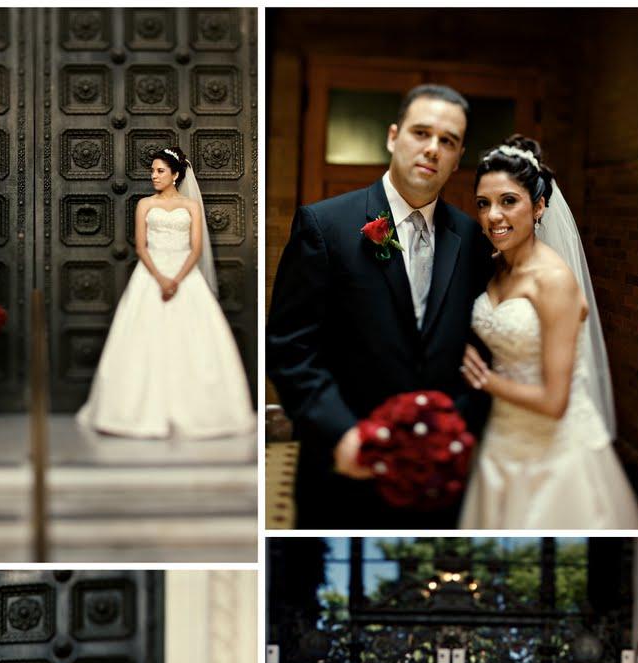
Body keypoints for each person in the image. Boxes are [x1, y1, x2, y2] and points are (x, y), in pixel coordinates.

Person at [268, 85, 494, 528]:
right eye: (421, 133)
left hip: (439, 475)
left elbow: (483, 349)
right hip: (345, 467)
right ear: (394, 136)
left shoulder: (472, 239)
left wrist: (456, 431)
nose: (432, 148)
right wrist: (342, 434)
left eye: (447, 141)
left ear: (458, 154)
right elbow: (290, 346)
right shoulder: (325, 225)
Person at [457, 137, 638, 529]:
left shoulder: (554, 281)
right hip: (502, 437)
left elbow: (555, 401)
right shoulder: (494, 267)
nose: (493, 216)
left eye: (509, 201)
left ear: (539, 206)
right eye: (483, 204)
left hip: (554, 453)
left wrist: (483, 380)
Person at [76, 146, 255, 438]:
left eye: (160, 171)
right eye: (152, 171)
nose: (154, 176)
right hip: (151, 276)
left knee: (193, 343)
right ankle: (133, 412)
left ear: (175, 175)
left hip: (185, 276)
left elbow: (196, 247)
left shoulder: (191, 207)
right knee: (142, 341)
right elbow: (141, 246)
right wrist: (160, 278)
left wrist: (177, 279)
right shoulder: (145, 205)